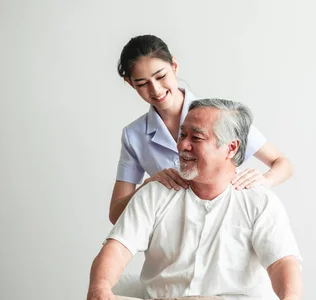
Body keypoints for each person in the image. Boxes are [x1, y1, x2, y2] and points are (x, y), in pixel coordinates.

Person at [77, 99, 304, 300]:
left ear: (231, 147)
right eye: (182, 134)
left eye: (195, 137)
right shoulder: (155, 192)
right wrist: (100, 288)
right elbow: (117, 249)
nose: (182, 145)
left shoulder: (259, 200)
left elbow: (282, 263)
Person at [109, 35, 294, 224]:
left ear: (174, 66)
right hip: (173, 235)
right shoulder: (134, 135)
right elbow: (116, 214)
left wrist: (265, 181)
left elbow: (283, 163)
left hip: (230, 225)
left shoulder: (219, 115)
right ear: (130, 83)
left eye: (161, 76)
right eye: (142, 84)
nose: (155, 89)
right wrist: (149, 186)